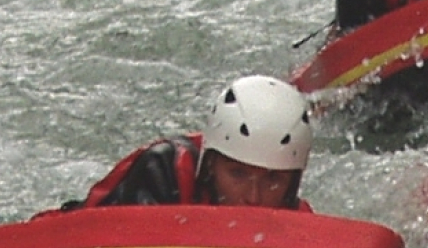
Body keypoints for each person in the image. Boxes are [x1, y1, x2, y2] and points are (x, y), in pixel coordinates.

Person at [65, 75, 315, 210]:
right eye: (237, 173)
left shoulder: (297, 218)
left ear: (292, 183)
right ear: (210, 166)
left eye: (272, 179)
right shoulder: (163, 173)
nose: (253, 197)